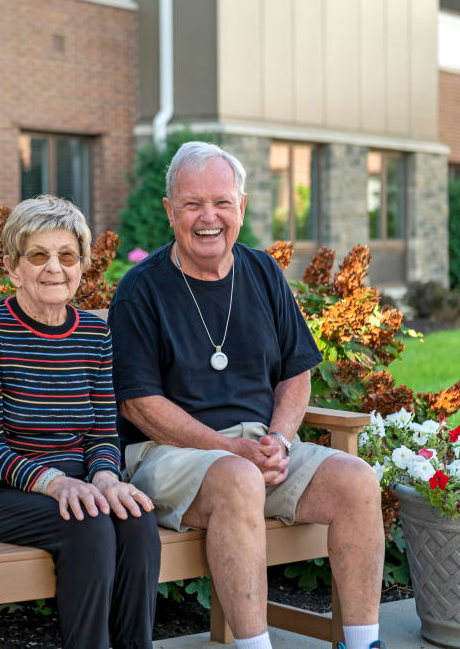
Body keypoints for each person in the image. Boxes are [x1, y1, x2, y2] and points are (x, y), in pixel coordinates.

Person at [108, 142, 385, 649]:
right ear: (170, 212)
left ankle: (364, 643)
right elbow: (138, 405)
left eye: (221, 203)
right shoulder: (140, 290)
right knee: (238, 479)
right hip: (168, 456)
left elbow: (296, 373)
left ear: (242, 207)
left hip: (258, 451)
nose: (207, 217)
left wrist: (279, 439)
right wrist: (229, 449)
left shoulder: (262, 273)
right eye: (192, 204)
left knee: (357, 480)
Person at [0, 195, 161, 649]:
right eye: (38, 255)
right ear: (13, 268)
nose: (54, 268)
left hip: (75, 486)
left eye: (67, 256)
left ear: (81, 266)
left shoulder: (94, 333)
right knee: (86, 522)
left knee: (136, 514)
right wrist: (55, 483)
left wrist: (105, 476)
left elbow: (103, 430)